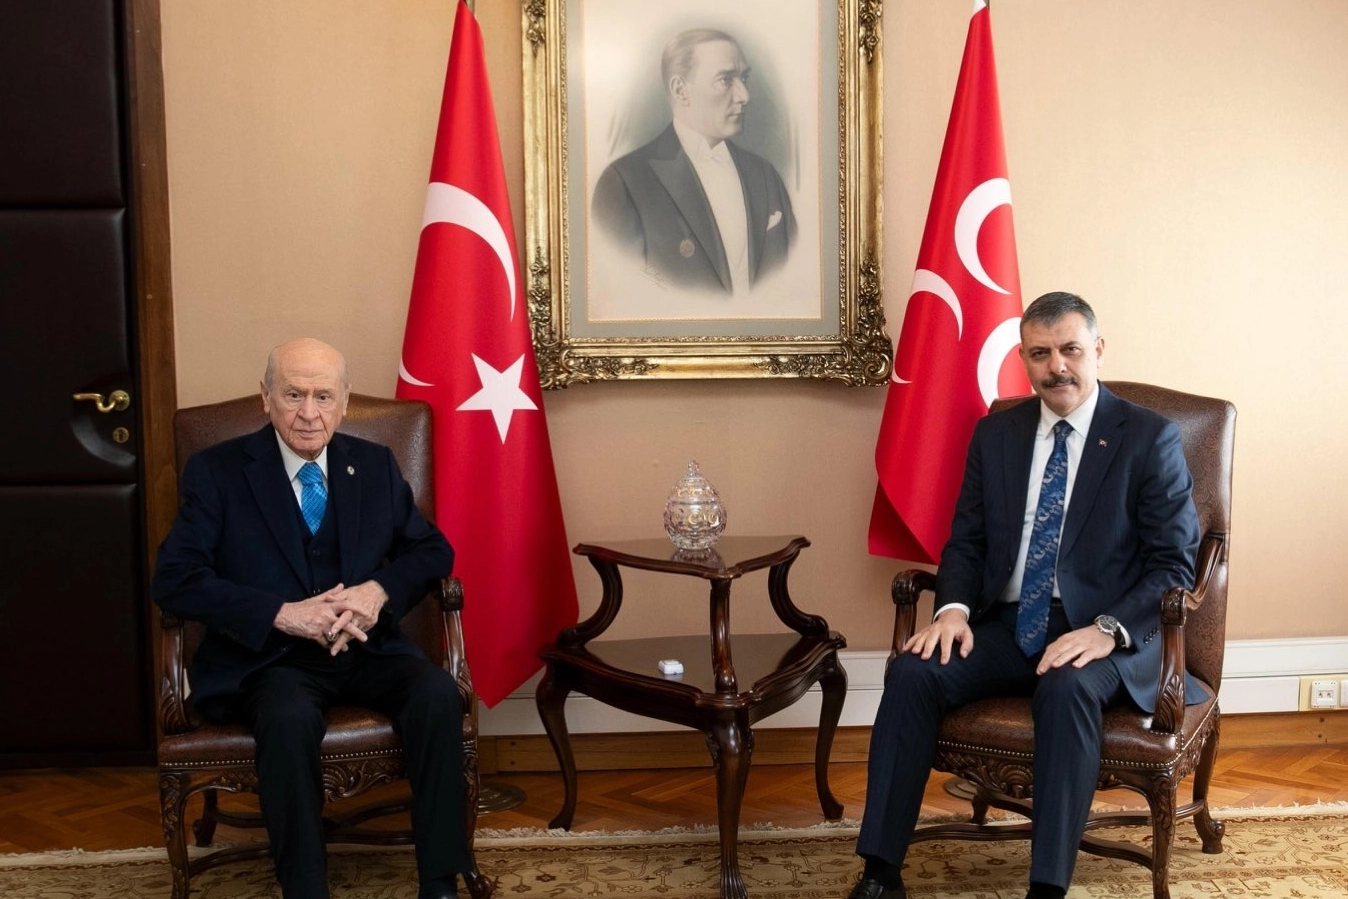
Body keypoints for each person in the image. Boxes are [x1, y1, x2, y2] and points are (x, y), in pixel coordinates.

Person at [848, 292, 1204, 899]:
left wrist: (1107, 630)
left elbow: (1173, 563)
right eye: (1040, 353)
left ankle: (1047, 887)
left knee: (1066, 688)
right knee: (913, 671)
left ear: (1098, 349)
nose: (1056, 366)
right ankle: (880, 872)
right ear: (1023, 358)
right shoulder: (997, 434)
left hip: (1103, 633)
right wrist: (953, 611)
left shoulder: (1148, 438)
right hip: (1009, 624)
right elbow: (968, 539)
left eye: (1070, 349)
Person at [153, 338, 470, 899]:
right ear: (266, 397)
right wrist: (280, 614)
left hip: (367, 649)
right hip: (272, 661)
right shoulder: (218, 472)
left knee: (438, 695)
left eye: (323, 396)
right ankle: (305, 888)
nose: (308, 413)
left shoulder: (373, 464)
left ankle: (441, 882)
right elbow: (174, 579)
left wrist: (377, 591)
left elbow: (432, 551)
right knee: (287, 719)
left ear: (344, 402)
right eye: (293, 394)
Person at [591, 27, 797, 295]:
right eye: (725, 80)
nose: (744, 95)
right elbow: (624, 293)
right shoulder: (623, 183)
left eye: (744, 78)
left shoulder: (765, 175)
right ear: (680, 91)